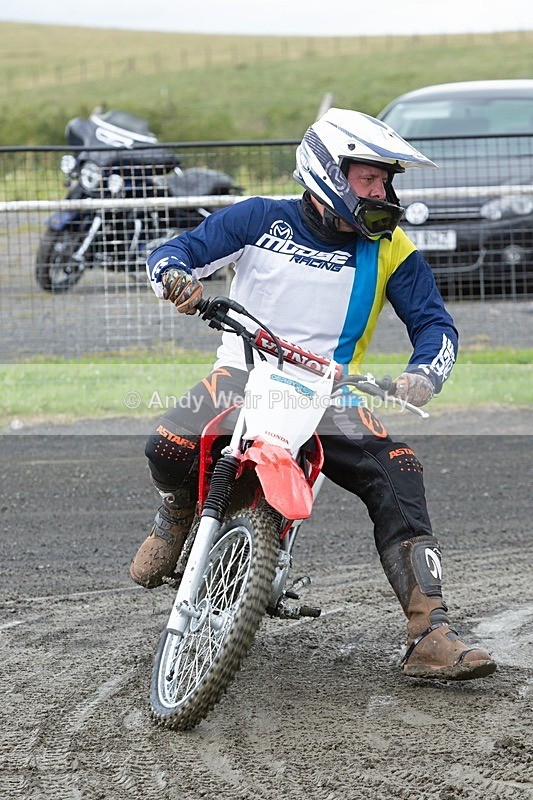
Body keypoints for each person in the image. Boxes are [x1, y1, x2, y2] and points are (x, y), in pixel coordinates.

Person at [130, 108, 496, 681]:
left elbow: (436, 325)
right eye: (369, 179)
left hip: (329, 393)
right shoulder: (258, 219)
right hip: (244, 371)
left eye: (387, 180)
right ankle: (177, 511)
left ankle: (429, 633)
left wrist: (427, 371)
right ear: (328, 171)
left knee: (399, 468)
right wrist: (176, 279)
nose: (383, 192)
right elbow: (172, 252)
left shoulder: (391, 247)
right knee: (167, 446)